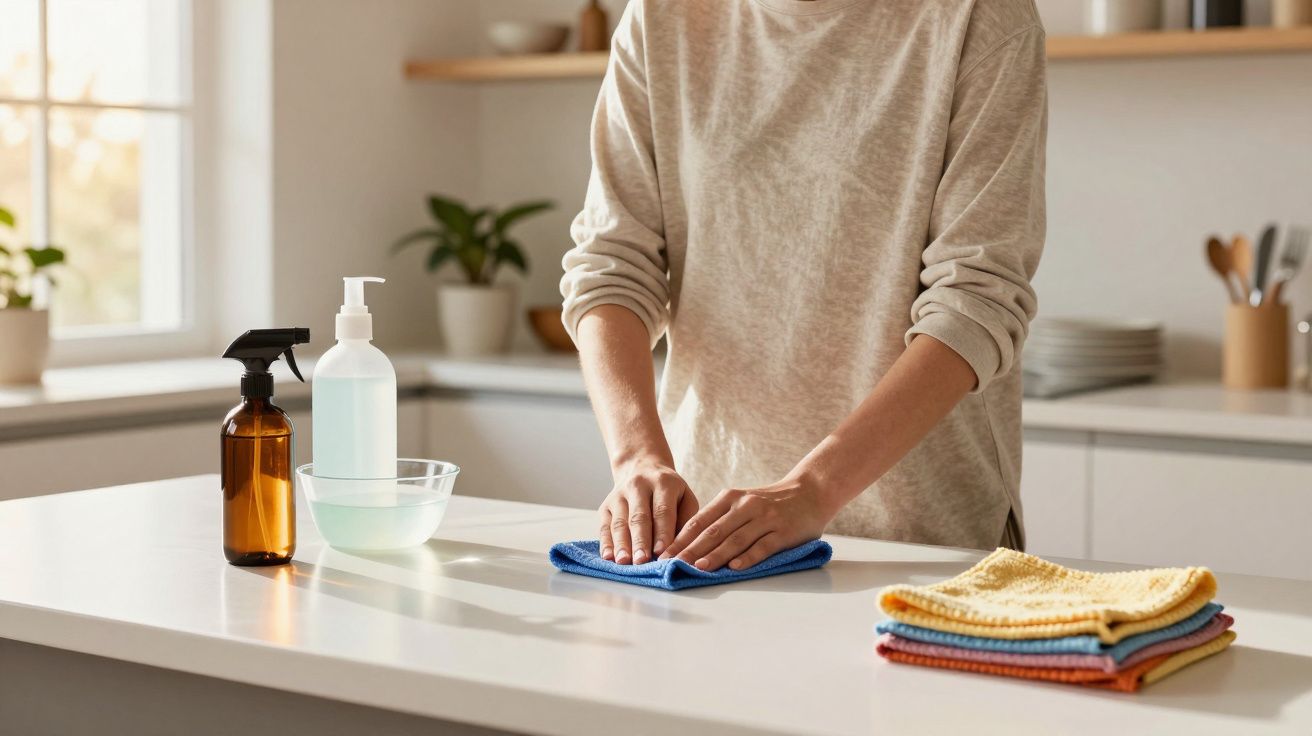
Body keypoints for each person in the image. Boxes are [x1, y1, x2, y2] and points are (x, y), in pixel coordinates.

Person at [560, 0, 1047, 571]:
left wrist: (814, 488)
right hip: (705, 541)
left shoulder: (978, 16)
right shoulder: (662, 17)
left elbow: (976, 299)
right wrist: (636, 457)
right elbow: (612, 262)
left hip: (918, 542)